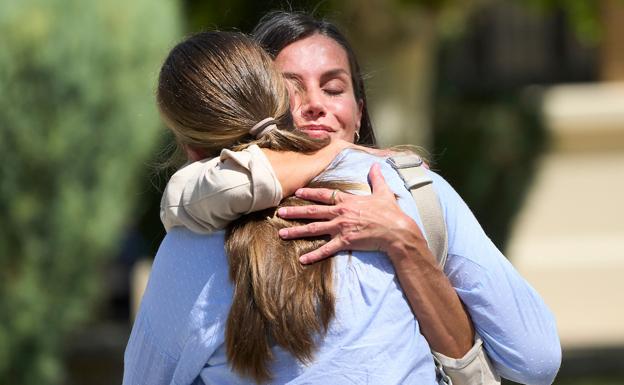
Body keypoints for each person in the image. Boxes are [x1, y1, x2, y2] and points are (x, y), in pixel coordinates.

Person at [156, 11, 560, 384]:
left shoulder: (415, 192)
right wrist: (339, 152)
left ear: (359, 111)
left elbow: (535, 356)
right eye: (290, 89)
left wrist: (405, 242)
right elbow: (536, 360)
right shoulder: (205, 208)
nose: (315, 104)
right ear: (254, 102)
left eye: (333, 88)